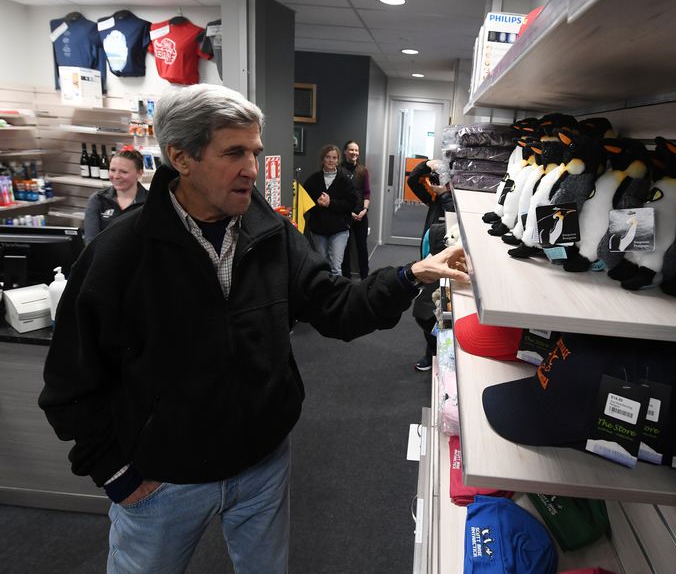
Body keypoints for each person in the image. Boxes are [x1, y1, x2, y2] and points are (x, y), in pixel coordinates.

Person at [38, 83, 468, 574]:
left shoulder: (271, 235)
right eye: (234, 152)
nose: (252, 168)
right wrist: (117, 475)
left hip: (263, 465)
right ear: (181, 156)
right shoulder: (120, 253)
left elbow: (335, 305)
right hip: (162, 482)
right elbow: (69, 384)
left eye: (255, 152)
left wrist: (409, 275)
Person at [407, 158, 454, 371]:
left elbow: (454, 215)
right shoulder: (435, 200)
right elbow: (413, 182)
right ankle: (431, 352)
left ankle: (439, 355)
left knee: (435, 310)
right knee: (428, 310)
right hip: (428, 256)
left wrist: (445, 192)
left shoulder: (453, 201)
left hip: (449, 261)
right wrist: (428, 165)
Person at [302, 144, 357, 276]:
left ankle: (336, 296)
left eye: (334, 157)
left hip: (339, 230)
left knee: (335, 268)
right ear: (323, 159)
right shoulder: (312, 180)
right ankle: (323, 294)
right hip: (318, 231)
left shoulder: (345, 180)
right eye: (328, 157)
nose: (331, 160)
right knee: (322, 266)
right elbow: (305, 204)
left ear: (338, 160)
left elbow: (351, 203)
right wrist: (318, 204)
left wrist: (330, 203)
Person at [82, 148, 148, 243]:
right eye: (112, 170)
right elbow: (91, 243)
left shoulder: (150, 202)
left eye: (124, 172)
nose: (116, 176)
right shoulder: (98, 200)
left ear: (139, 173)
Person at [340, 139, 371, 279]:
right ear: (345, 151)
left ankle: (365, 277)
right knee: (344, 248)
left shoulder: (363, 170)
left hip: (361, 214)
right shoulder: (339, 170)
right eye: (351, 150)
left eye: (356, 150)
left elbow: (367, 192)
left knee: (362, 247)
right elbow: (338, 194)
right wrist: (349, 212)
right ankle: (346, 278)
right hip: (345, 215)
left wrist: (364, 210)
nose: (354, 153)